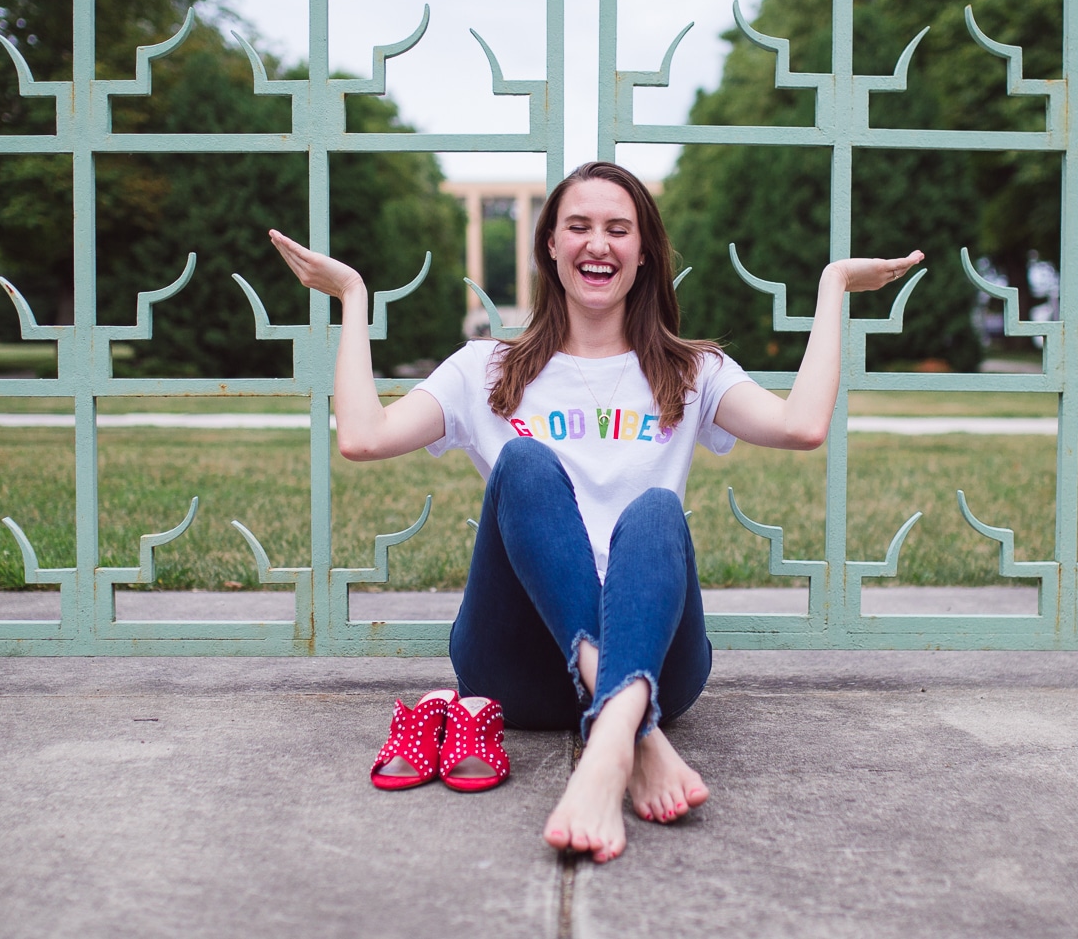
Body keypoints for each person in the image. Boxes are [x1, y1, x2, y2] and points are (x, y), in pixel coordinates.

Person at [270, 161, 922, 862]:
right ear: (549, 243)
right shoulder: (484, 367)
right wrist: (351, 295)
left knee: (655, 513)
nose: (597, 243)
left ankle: (607, 745)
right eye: (578, 226)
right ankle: (631, 733)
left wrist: (833, 286)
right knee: (524, 465)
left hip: (658, 659)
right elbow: (364, 436)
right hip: (517, 665)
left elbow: (801, 424)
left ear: (644, 253)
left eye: (619, 228)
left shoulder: (692, 370)